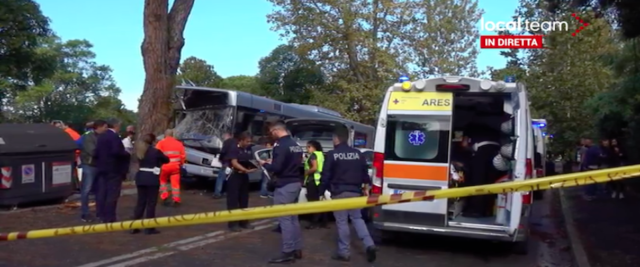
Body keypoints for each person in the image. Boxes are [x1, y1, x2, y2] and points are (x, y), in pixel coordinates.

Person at [318, 129, 377, 263]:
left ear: (336, 139)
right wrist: (366, 187)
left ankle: (344, 252)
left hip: (339, 192)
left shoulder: (332, 154)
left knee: (342, 221)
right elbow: (364, 173)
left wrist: (321, 192)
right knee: (357, 219)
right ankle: (369, 244)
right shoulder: (357, 154)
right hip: (355, 191)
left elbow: (325, 175)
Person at [258, 121, 304, 264]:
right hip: (296, 182)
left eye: (271, 132)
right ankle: (297, 248)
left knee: (285, 219)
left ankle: (287, 251)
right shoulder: (296, 145)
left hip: (285, 184)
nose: (272, 135)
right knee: (293, 218)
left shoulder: (281, 146)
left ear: (276, 130)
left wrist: (265, 164)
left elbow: (277, 168)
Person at [131, 133, 169, 235]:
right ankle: (149, 227)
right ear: (153, 141)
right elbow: (166, 160)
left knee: (140, 202)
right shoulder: (155, 151)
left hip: (141, 177)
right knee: (151, 203)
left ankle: (134, 226)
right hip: (152, 177)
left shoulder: (140, 151)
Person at [94, 118, 130, 222]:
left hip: (102, 168)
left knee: (101, 192)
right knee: (112, 193)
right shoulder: (114, 137)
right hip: (114, 169)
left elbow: (96, 152)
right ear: (116, 125)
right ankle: (110, 216)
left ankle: (101, 214)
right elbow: (116, 151)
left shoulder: (101, 136)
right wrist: (126, 154)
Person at [225, 132, 258, 231]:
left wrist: (254, 166)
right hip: (234, 175)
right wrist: (245, 170)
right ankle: (233, 224)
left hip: (244, 176)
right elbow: (234, 162)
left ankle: (244, 222)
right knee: (233, 201)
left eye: (250, 141)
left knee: (244, 199)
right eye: (247, 141)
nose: (249, 143)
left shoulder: (248, 149)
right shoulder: (234, 148)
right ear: (241, 140)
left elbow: (250, 160)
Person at [79, 120, 107, 222]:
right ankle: (85, 213)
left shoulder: (102, 136)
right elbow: (92, 151)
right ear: (99, 127)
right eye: (104, 127)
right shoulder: (88, 136)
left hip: (99, 165)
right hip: (89, 165)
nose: (106, 129)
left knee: (99, 190)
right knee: (86, 190)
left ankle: (99, 212)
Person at [155, 129, 186, 206]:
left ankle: (164, 197)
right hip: (175, 167)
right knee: (175, 184)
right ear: (172, 135)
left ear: (165, 135)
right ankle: (176, 199)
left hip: (164, 167)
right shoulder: (179, 144)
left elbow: (156, 154)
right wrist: (180, 164)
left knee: (163, 181)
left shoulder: (161, 143)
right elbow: (183, 156)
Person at [303, 140, 328, 229]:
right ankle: (324, 222)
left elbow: (314, 168)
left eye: (308, 147)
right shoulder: (321, 154)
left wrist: (306, 172)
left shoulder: (313, 155)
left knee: (313, 203)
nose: (307, 149)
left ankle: (313, 223)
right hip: (320, 180)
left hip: (312, 181)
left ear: (313, 147)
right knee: (321, 202)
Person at [213, 132, 235, 199]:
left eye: (224, 136)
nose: (223, 138)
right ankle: (227, 192)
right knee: (229, 179)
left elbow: (223, 152)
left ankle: (217, 193)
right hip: (232, 163)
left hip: (225, 163)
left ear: (227, 135)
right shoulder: (235, 142)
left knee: (220, 178)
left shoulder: (227, 142)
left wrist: (220, 159)